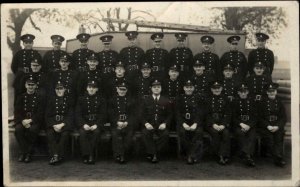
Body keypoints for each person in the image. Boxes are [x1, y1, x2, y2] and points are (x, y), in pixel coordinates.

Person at [14, 76, 45, 163]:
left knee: (32, 130)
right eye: (29, 84)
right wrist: (23, 121)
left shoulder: (39, 97)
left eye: (33, 85)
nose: (31, 87)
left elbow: (40, 113)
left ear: (36, 86)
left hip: (34, 120)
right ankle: (24, 152)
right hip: (23, 120)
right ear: (25, 85)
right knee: (18, 130)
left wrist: (30, 120)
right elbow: (17, 111)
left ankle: (28, 154)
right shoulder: (21, 97)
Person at [141, 79, 172, 163]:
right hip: (150, 124)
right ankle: (154, 154)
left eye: (158, 87)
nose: (156, 89)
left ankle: (153, 153)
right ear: (151, 89)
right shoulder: (146, 100)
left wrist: (165, 123)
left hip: (160, 125)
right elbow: (141, 114)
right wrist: (146, 124)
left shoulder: (166, 100)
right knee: (145, 133)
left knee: (165, 134)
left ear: (161, 88)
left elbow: (169, 115)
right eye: (154, 87)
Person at [76, 80, 106, 164]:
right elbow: (78, 114)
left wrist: (97, 125)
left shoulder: (101, 99)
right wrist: (83, 124)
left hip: (96, 123)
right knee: (82, 133)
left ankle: (91, 155)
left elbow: (103, 114)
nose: (91, 89)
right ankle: (85, 155)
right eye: (89, 87)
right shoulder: (81, 99)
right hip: (85, 122)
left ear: (97, 89)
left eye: (93, 87)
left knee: (96, 133)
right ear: (87, 88)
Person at [257, 82, 287, 167]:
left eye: (273, 91)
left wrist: (277, 126)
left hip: (277, 126)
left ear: (276, 92)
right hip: (265, 126)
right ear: (266, 92)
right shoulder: (262, 103)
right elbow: (259, 118)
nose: (271, 93)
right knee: (269, 138)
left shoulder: (280, 102)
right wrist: (268, 126)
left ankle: (278, 157)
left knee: (278, 138)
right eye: (269, 91)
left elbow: (283, 117)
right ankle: (277, 158)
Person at [45, 81, 74, 165]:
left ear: (64, 89)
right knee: (50, 134)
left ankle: (57, 155)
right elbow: (47, 115)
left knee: (65, 135)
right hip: (53, 124)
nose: (59, 90)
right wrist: (54, 125)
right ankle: (56, 155)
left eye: (61, 88)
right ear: (55, 90)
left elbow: (70, 115)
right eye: (57, 89)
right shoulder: (51, 100)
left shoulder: (69, 100)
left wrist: (62, 124)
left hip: (65, 124)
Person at [176, 79, 204, 164]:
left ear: (193, 88)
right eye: (187, 87)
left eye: (191, 87)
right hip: (183, 123)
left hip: (195, 123)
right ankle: (192, 155)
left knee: (199, 132)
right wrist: (183, 124)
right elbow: (177, 113)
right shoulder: (179, 98)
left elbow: (200, 113)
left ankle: (190, 155)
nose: (189, 89)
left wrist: (195, 124)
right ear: (184, 88)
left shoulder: (198, 98)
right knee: (182, 132)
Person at [108, 82, 136, 164]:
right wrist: (117, 122)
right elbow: (110, 113)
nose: (122, 91)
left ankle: (124, 154)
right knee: (116, 135)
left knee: (128, 136)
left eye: (124, 89)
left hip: (128, 123)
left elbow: (134, 114)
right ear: (117, 89)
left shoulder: (131, 100)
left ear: (127, 90)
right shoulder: (112, 100)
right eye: (120, 89)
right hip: (116, 123)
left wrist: (127, 122)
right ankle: (118, 155)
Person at [205, 81, 232, 165]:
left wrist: (223, 125)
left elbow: (228, 114)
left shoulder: (226, 99)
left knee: (226, 133)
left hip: (222, 123)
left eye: (218, 88)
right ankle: (219, 155)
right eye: (215, 88)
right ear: (211, 89)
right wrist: (213, 124)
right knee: (215, 133)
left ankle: (224, 155)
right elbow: (206, 114)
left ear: (221, 89)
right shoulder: (208, 99)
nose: (217, 90)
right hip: (211, 124)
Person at [232, 83, 257, 167]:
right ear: (238, 93)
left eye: (245, 91)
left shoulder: (252, 102)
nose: (243, 93)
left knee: (252, 135)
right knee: (240, 133)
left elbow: (255, 116)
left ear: (248, 92)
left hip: (250, 125)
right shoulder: (234, 102)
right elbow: (233, 116)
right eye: (241, 92)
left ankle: (246, 154)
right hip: (239, 124)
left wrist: (249, 125)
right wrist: (241, 124)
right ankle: (248, 156)